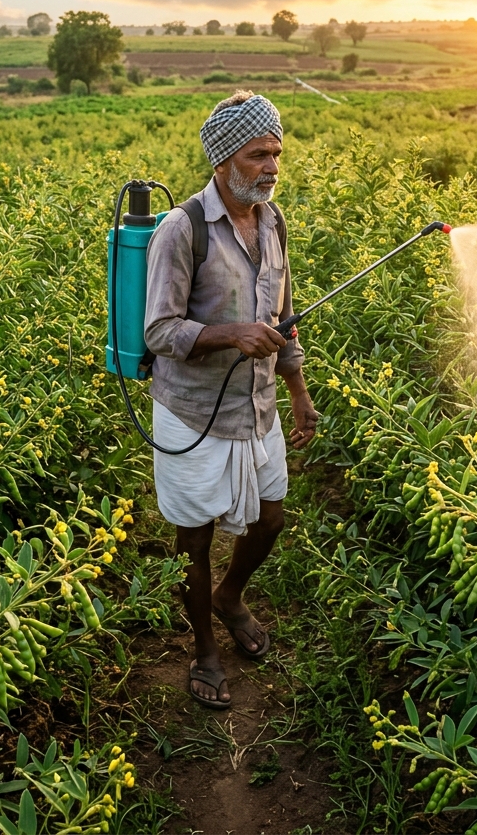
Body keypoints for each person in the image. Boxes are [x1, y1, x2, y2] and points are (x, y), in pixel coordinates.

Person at [144, 90, 318, 710]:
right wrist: (230, 334)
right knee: (194, 537)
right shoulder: (181, 230)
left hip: (260, 405)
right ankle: (204, 651)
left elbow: (284, 317)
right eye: (257, 155)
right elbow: (159, 331)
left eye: (276, 153)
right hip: (192, 412)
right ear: (223, 160)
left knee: (270, 519)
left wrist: (297, 390)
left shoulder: (274, 222)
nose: (271, 167)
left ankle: (230, 597)